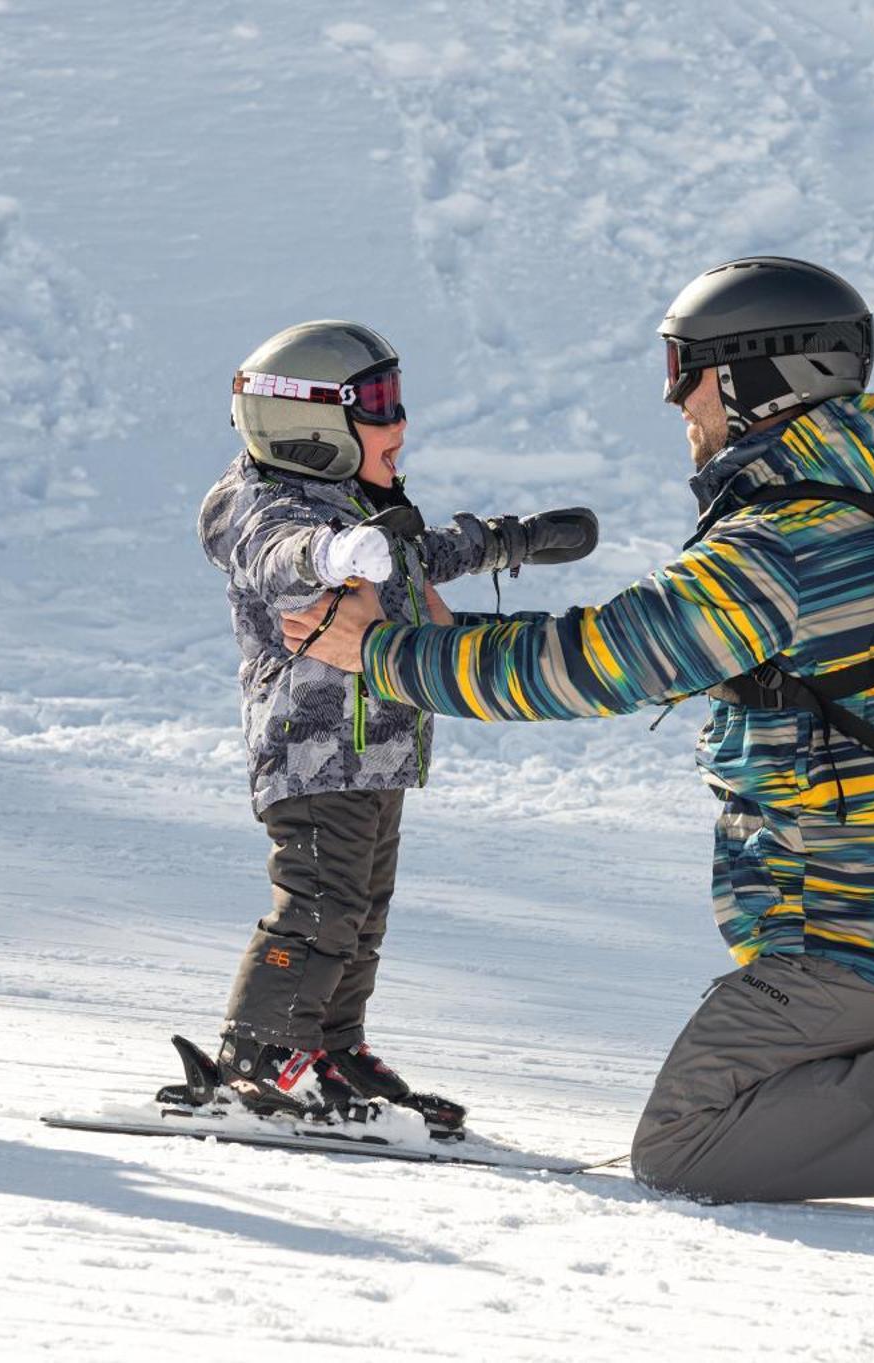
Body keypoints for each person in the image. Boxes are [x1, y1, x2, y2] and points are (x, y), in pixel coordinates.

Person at [281, 260, 874, 1223]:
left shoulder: (779, 544)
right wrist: (443, 641)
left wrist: (385, 652)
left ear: (760, 377)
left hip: (860, 945)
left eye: (684, 368)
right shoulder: (852, 512)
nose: (675, 399)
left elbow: (596, 661)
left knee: (687, 1139)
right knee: (758, 1116)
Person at [197, 319, 597, 1131]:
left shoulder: (364, 505)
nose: (399, 424)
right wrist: (335, 552)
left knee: (361, 912)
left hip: (379, 752)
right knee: (318, 903)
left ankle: (332, 1045)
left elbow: (424, 555)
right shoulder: (259, 507)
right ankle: (260, 1051)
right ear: (309, 421)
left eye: (395, 401)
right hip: (314, 757)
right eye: (377, 406)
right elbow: (281, 553)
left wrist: (510, 541)